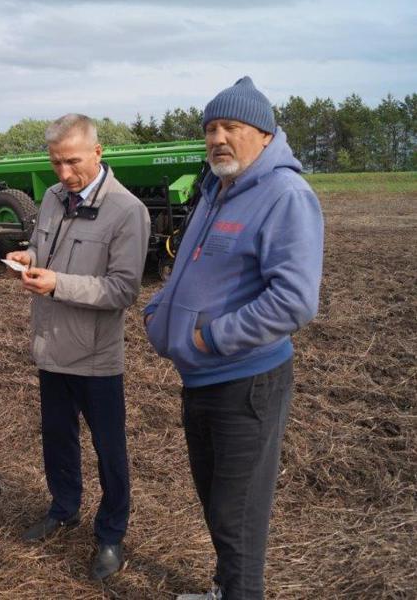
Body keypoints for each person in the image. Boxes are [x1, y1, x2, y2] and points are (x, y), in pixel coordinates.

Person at [143, 77, 324, 600]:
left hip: (245, 384)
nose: (218, 138)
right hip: (201, 380)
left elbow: (293, 301)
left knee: (238, 518)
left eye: (232, 127)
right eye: (210, 128)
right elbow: (188, 267)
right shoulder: (217, 188)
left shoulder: (285, 195)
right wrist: (159, 311)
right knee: (217, 505)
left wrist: (209, 338)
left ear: (265, 135)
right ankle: (225, 591)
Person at [6, 114, 150, 581]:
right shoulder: (51, 198)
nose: (64, 174)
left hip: (95, 356)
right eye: (55, 163)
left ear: (98, 152)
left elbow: (123, 290)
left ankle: (110, 534)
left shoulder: (127, 211)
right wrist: (30, 257)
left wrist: (57, 284)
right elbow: (43, 247)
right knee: (57, 439)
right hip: (50, 348)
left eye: (73, 162)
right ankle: (64, 507)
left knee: (109, 450)